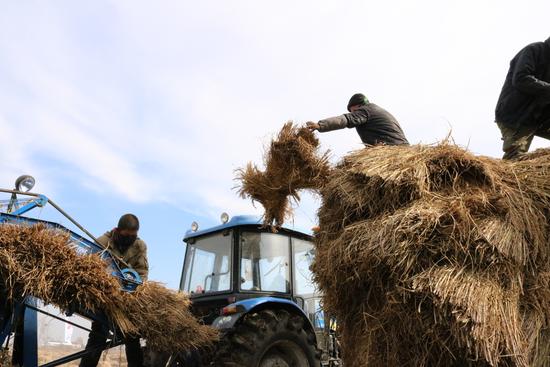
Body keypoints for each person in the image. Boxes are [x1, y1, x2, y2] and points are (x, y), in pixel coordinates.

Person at [79, 214, 149, 367]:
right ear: (117, 230)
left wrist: (133, 286)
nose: (129, 239)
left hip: (126, 300)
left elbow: (142, 274)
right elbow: (87, 268)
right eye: (126, 235)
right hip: (104, 299)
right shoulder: (102, 242)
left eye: (133, 236)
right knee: (98, 334)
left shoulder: (140, 246)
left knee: (132, 335)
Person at [495, 37, 550, 159]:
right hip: (515, 116)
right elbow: (521, 79)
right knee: (515, 157)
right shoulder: (534, 50)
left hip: (538, 116)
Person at [306, 93, 409, 146]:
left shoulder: (365, 111)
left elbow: (345, 120)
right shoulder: (378, 110)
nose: (352, 113)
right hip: (403, 149)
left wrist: (320, 125)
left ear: (358, 106)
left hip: (390, 148)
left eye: (353, 111)